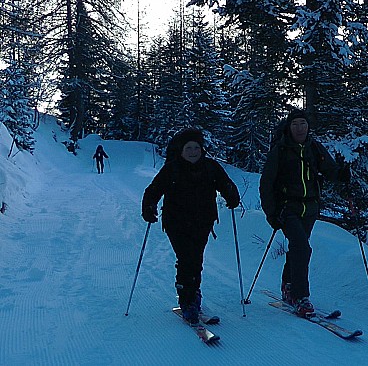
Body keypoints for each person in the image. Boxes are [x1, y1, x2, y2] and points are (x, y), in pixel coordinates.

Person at [141, 128, 240, 324]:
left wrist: (232, 195)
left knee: (196, 260)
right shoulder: (172, 168)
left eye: (196, 147)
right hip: (176, 222)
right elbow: (153, 190)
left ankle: (193, 294)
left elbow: (226, 184)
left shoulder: (211, 167)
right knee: (187, 259)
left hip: (203, 222)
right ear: (181, 150)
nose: (193, 151)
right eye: (189, 148)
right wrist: (149, 207)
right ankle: (187, 301)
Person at [259, 108, 350, 317]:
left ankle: (288, 285)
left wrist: (341, 174)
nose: (299, 128)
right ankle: (301, 297)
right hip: (287, 208)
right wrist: (271, 213)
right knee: (302, 247)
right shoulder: (280, 151)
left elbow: (330, 169)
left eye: (303, 124)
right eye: (295, 124)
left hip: (309, 208)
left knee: (297, 248)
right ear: (288, 128)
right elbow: (266, 183)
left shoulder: (314, 148)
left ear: (308, 127)